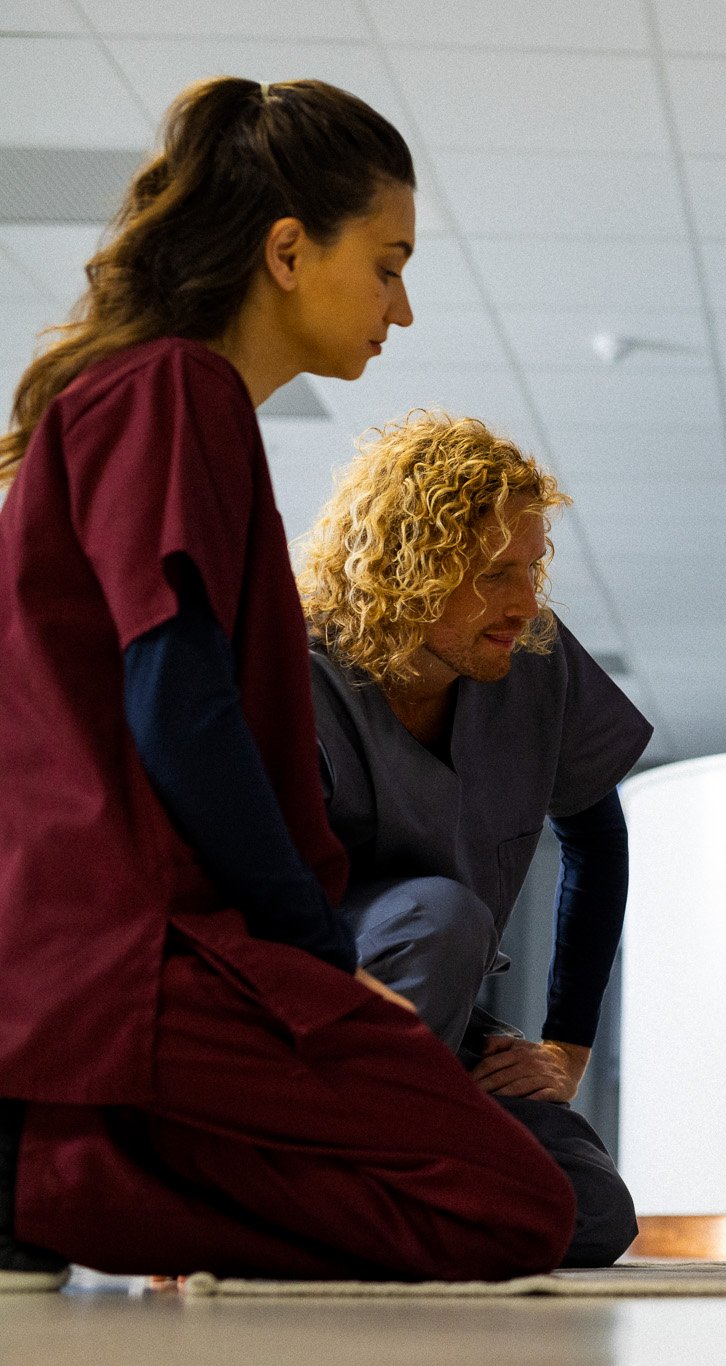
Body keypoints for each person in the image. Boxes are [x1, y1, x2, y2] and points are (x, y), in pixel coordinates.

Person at [0, 78, 575, 1287]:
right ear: (285, 250)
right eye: (387, 264)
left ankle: (58, 1172)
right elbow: (180, 702)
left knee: (521, 1197)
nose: (401, 309)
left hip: (120, 952)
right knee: (513, 1206)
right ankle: (45, 1180)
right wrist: (312, 946)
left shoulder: (147, 400)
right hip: (138, 953)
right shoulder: (174, 391)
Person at [297, 411, 653, 1268]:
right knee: (440, 918)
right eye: (497, 574)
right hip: (314, 1027)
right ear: (407, 571)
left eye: (532, 569)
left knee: (593, 1212)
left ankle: (367, 1211)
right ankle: (311, 1178)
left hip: (444, 1033)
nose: (527, 603)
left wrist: (566, 1046)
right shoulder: (292, 671)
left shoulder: (533, 659)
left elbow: (597, 842)